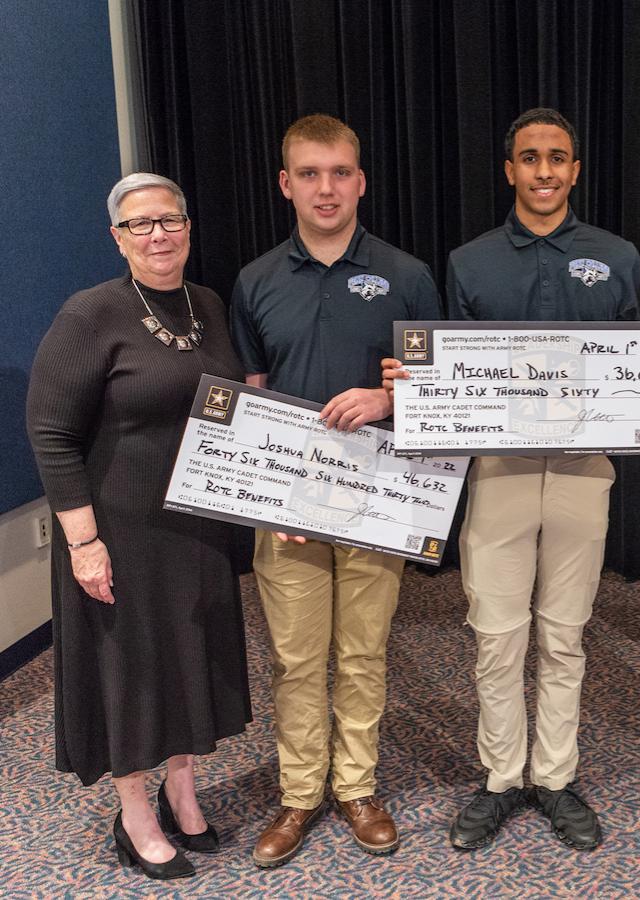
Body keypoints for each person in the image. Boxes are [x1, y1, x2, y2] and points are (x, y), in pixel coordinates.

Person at [385, 107, 640, 851]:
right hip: (496, 472)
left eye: (558, 158)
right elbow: (449, 374)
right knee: (497, 637)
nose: (544, 171)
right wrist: (418, 378)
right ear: (510, 170)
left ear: (576, 169)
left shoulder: (617, 256)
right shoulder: (469, 262)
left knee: (564, 636)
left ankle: (556, 778)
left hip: (581, 472)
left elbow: (632, 364)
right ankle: (502, 778)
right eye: (530, 158)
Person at [26, 173, 251, 880]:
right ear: (118, 238)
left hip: (196, 528)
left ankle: (181, 792)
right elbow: (51, 433)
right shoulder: (88, 315)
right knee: (130, 672)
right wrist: (83, 544)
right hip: (119, 533)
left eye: (169, 220)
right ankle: (135, 815)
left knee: (187, 662)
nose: (158, 234)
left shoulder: (208, 305)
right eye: (139, 225)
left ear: (188, 225)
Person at [229, 114, 440, 867]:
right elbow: (253, 397)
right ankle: (298, 795)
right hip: (288, 506)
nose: (327, 188)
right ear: (286, 184)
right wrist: (268, 498)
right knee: (295, 658)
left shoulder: (408, 276)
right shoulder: (255, 281)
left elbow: (438, 393)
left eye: (341, 172)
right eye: (311, 174)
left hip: (379, 499)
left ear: (361, 181)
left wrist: (388, 402)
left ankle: (356, 787)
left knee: (361, 652)